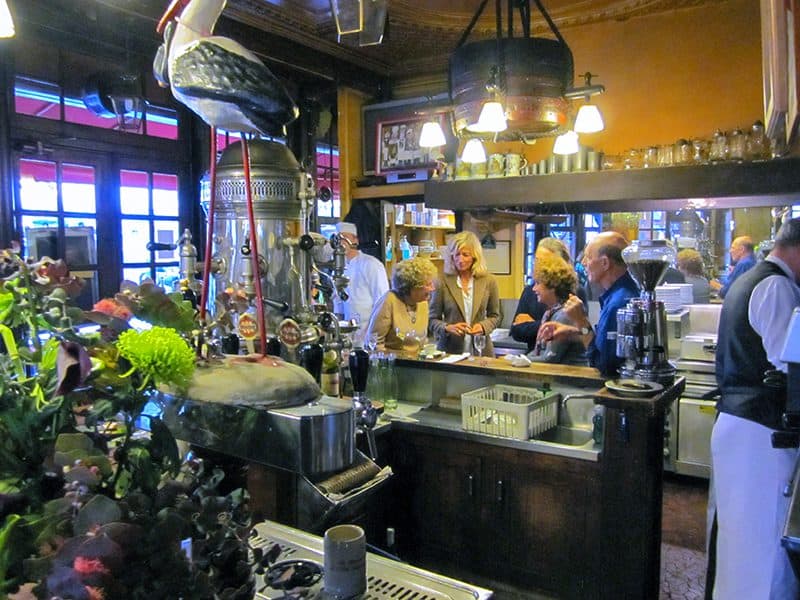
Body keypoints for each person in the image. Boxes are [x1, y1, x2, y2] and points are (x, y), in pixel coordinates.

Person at [709, 218, 800, 599]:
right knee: (763, 547)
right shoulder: (777, 286)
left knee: (739, 539)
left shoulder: (749, 280)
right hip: (760, 432)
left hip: (738, 425)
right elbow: (789, 363)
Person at [536, 231, 640, 377]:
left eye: (589, 257)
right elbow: (604, 344)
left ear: (605, 263)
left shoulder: (619, 303)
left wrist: (581, 321)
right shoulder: (619, 295)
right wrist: (573, 333)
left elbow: (603, 364)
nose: (584, 262)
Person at [429, 231, 500, 356]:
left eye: (465, 255)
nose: (460, 259)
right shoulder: (441, 281)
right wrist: (447, 328)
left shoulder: (489, 281)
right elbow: (432, 320)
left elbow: (495, 316)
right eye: (456, 255)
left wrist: (483, 327)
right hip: (450, 351)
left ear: (475, 256)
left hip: (481, 350)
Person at [510, 237, 587, 352]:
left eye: (544, 261)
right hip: (535, 357)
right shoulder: (530, 291)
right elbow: (516, 331)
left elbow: (580, 329)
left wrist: (538, 324)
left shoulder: (575, 291)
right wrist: (544, 325)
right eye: (536, 260)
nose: (538, 265)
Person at [526, 252, 588, 366]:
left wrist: (516, 361)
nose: (534, 288)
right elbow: (538, 353)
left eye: (538, 283)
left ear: (552, 286)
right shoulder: (550, 313)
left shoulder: (564, 314)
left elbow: (550, 358)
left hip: (569, 381)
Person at [366, 256, 437, 352]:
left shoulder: (423, 302)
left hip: (417, 362)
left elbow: (422, 341)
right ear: (412, 287)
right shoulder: (389, 301)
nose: (433, 289)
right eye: (428, 285)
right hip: (394, 362)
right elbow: (374, 343)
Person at [332, 222, 389, 338]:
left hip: (370, 332)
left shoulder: (372, 265)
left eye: (345, 238)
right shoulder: (337, 270)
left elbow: (382, 302)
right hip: (347, 333)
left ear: (355, 240)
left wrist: (371, 332)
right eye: (338, 239)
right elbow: (338, 305)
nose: (342, 243)